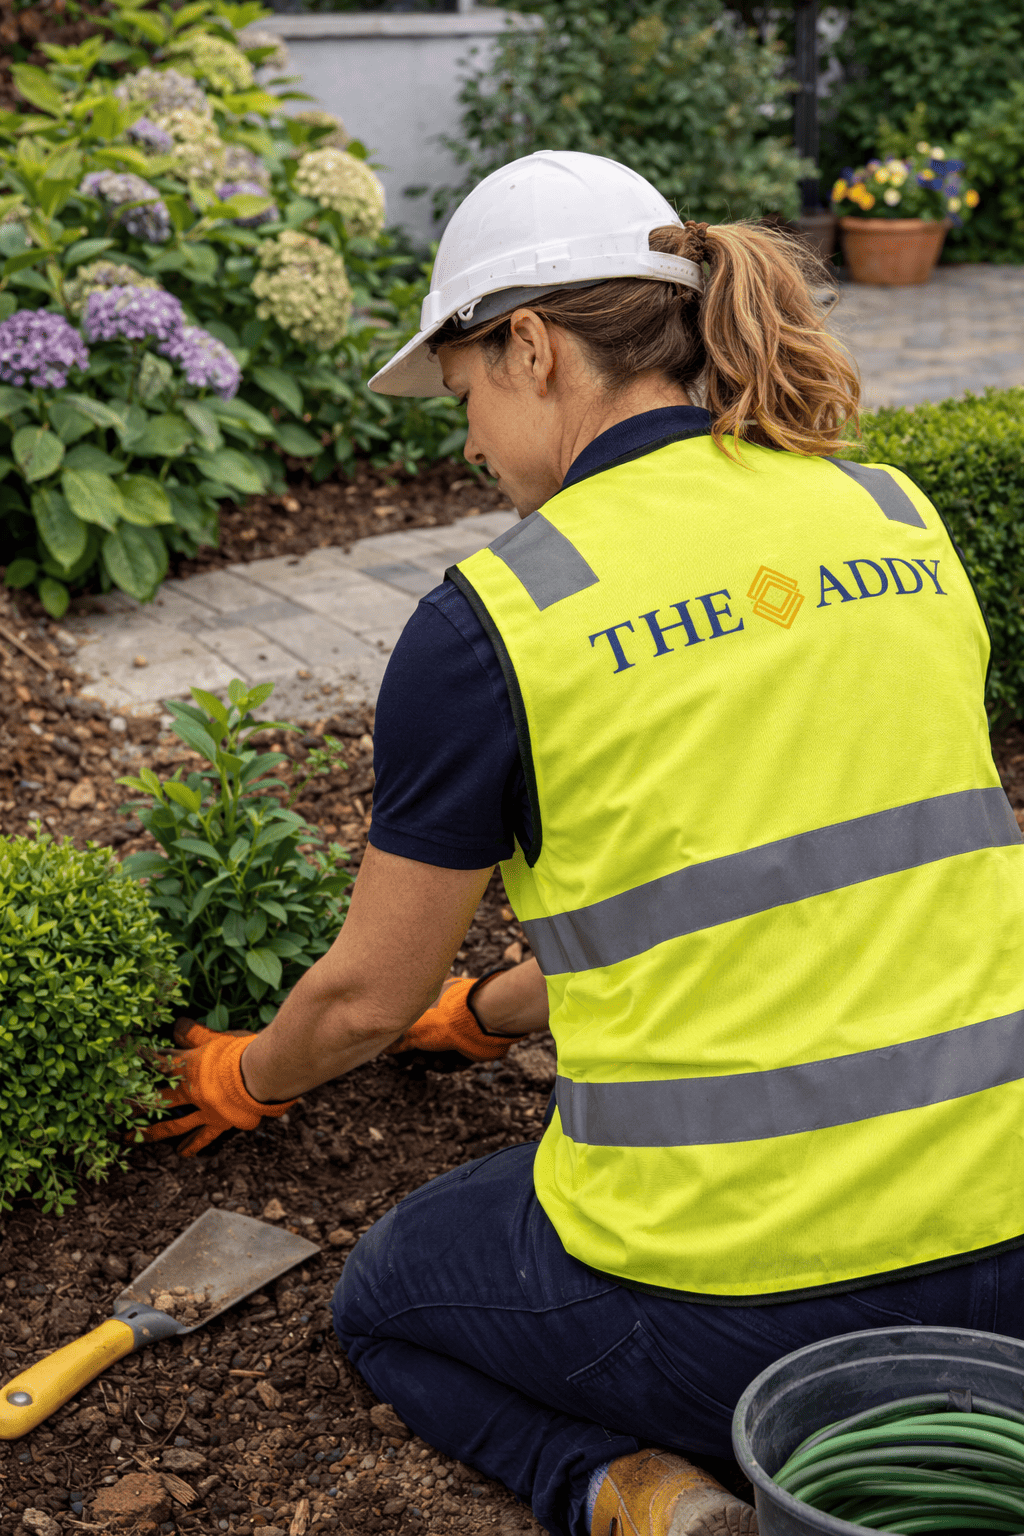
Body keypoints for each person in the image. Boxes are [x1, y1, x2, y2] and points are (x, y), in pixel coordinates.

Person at [144, 151, 1024, 1536]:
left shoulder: (500, 618)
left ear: (536, 349)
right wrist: (489, 1011)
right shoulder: (895, 519)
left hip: (744, 1302)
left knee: (389, 1302)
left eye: (469, 393)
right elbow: (775, 878)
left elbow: (361, 1002)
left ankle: (636, 1497)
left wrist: (247, 1074)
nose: (473, 442)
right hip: (1009, 1246)